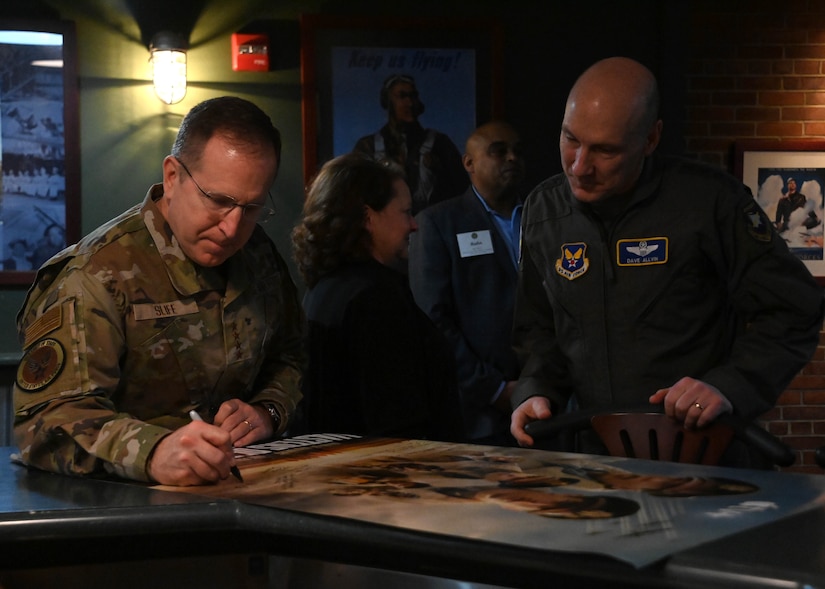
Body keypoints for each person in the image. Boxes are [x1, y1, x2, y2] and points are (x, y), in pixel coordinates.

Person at [510, 57, 824, 467]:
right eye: (571, 139)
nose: (580, 166)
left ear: (651, 139)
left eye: (605, 150)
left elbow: (794, 309)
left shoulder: (709, 203)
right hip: (595, 462)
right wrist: (535, 389)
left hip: (704, 458)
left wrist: (730, 385)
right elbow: (539, 329)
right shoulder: (545, 211)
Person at [13, 96, 305, 486]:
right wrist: (150, 452)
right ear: (173, 177)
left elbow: (292, 353)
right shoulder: (96, 275)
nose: (232, 228)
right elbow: (46, 421)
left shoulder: (259, 256)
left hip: (242, 498)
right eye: (218, 201)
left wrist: (268, 410)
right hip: (121, 513)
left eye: (251, 209)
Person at [292, 152, 462, 441]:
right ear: (369, 218)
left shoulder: (321, 290)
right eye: (406, 212)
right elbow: (398, 418)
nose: (414, 224)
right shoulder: (377, 298)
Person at [409, 121, 526, 445]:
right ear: (469, 163)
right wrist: (494, 388)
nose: (512, 158)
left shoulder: (543, 218)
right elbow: (432, 322)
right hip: (476, 416)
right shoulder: (438, 223)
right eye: (499, 151)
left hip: (543, 405)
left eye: (517, 151)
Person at [353, 73, 469, 216]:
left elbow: (461, 192)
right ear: (387, 101)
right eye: (402, 96)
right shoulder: (368, 147)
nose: (410, 103)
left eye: (413, 96)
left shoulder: (440, 144)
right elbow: (355, 195)